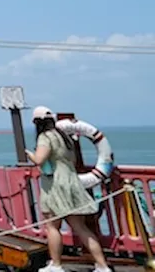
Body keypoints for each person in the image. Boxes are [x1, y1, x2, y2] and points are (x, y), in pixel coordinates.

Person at [26, 107, 112, 272]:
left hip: (55, 185)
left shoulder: (45, 137)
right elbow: (71, 160)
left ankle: (56, 265)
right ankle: (102, 266)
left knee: (52, 226)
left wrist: (31, 155)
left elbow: (40, 159)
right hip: (72, 182)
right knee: (80, 227)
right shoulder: (64, 136)